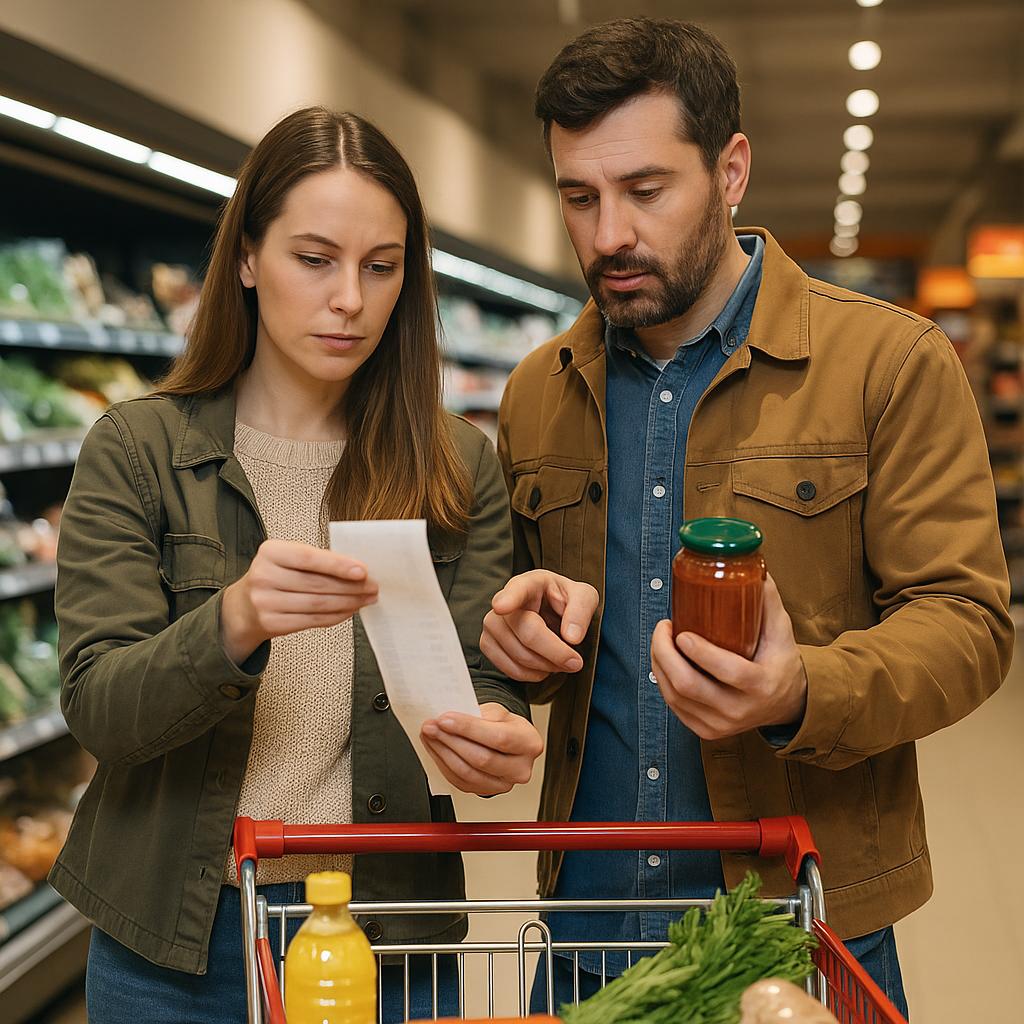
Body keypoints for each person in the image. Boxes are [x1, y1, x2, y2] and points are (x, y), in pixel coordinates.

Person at [479, 18, 1012, 1018]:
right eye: (578, 197)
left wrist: (802, 688)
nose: (606, 236)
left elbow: (969, 625)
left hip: (798, 931)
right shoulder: (534, 393)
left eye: (644, 191)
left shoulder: (886, 367)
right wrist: (508, 650)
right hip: (584, 936)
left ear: (730, 171)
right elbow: (524, 641)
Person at [49, 106, 543, 1023]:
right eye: (314, 260)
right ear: (246, 258)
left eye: (381, 266)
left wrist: (497, 733)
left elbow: (479, 677)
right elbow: (99, 708)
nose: (349, 298)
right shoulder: (139, 448)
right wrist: (233, 621)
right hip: (178, 941)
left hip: (387, 933)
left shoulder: (455, 463)